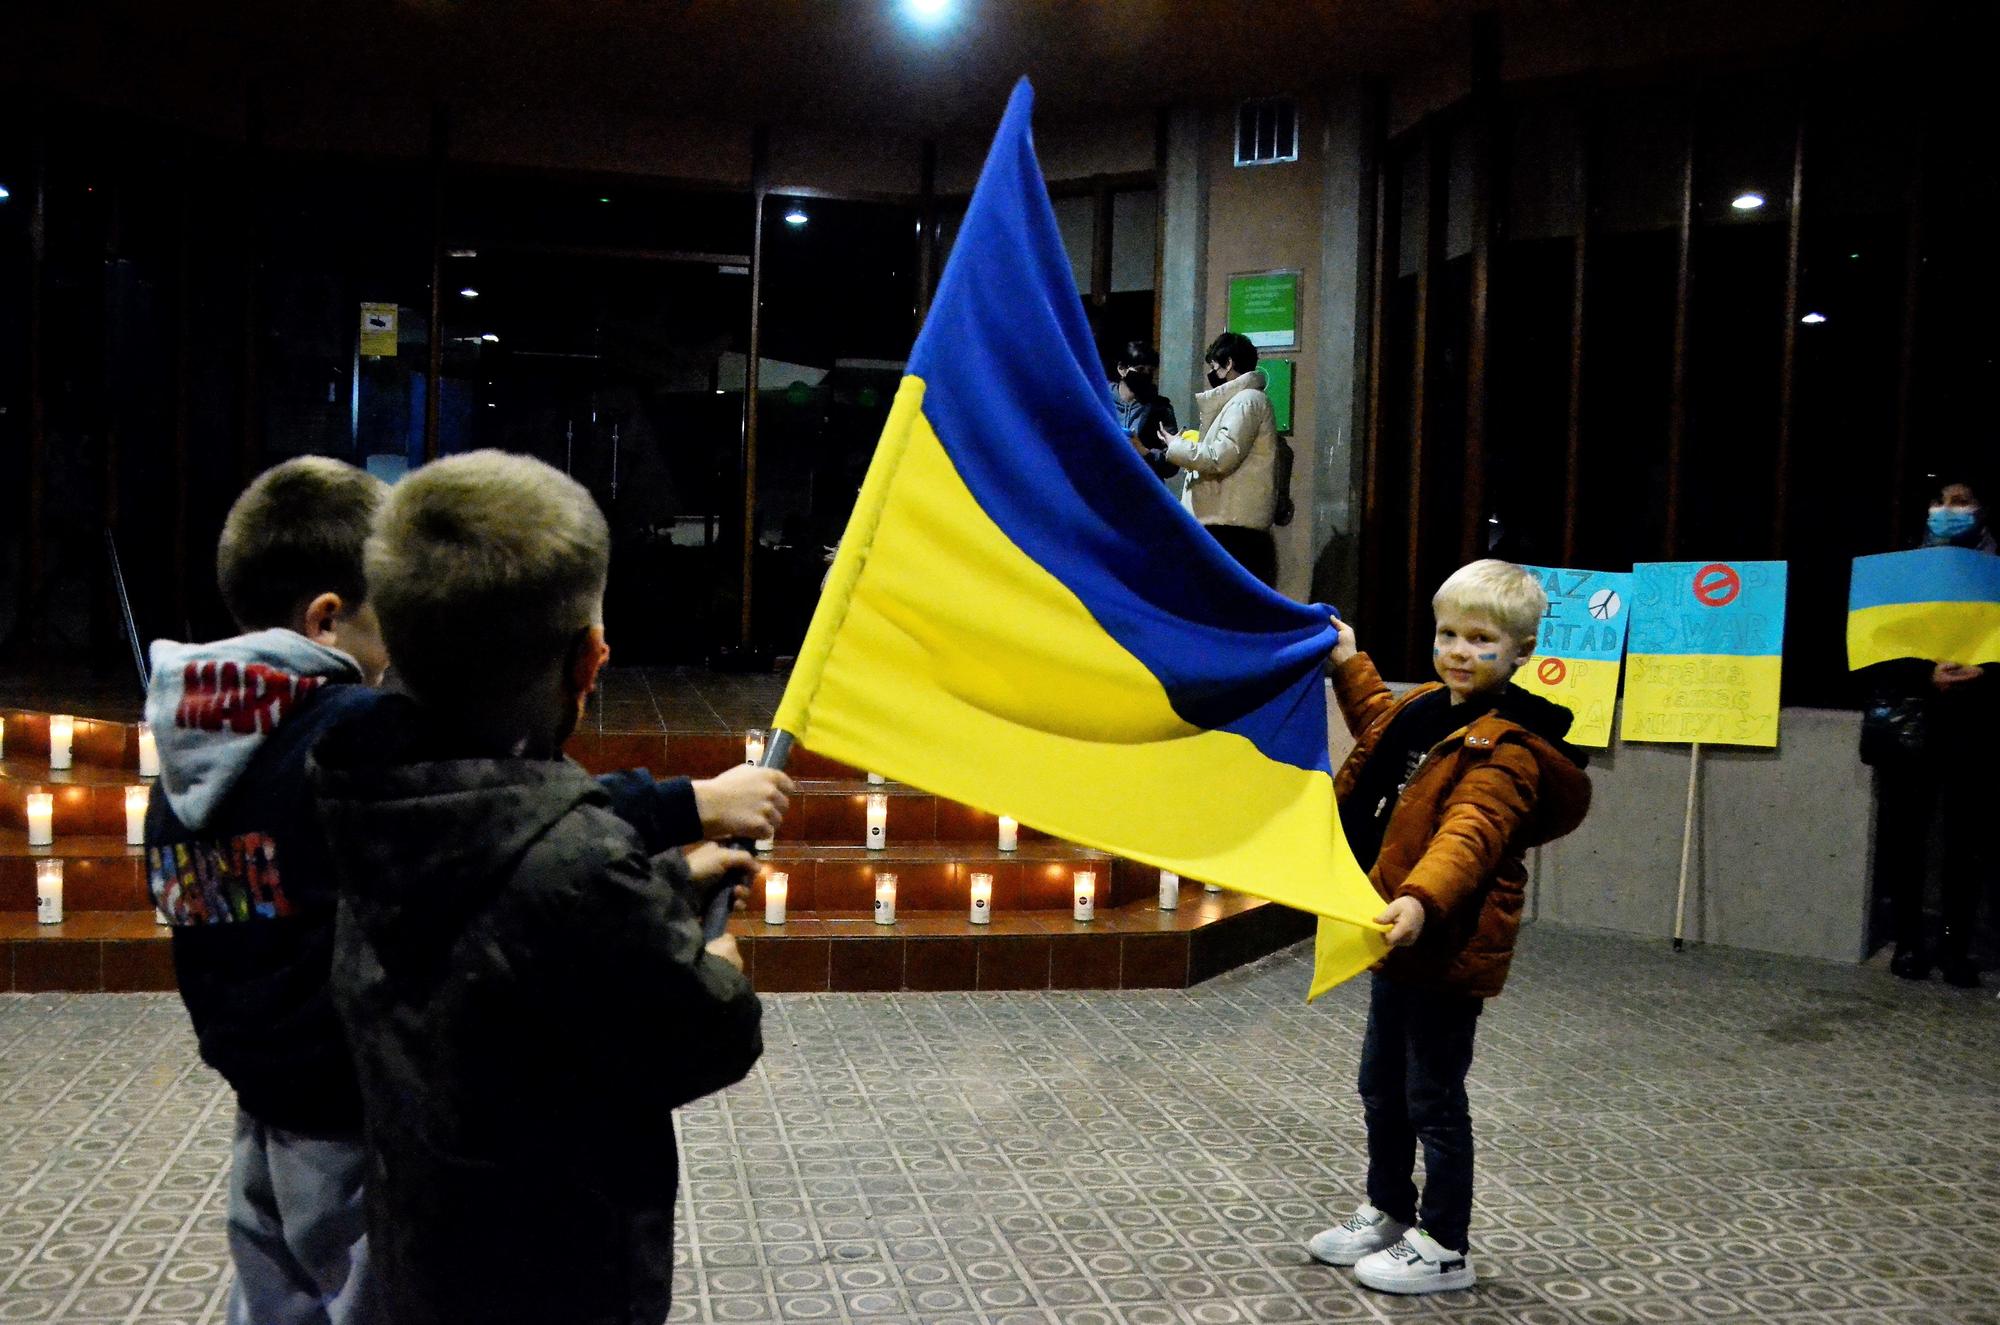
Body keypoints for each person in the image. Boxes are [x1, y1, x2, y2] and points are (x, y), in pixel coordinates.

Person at [143, 456, 790, 1325]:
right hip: (376, 1123)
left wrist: (668, 869)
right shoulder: (351, 744)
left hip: (268, 1093)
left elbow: (497, 877)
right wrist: (704, 913)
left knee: (279, 1292)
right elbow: (522, 835)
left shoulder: (202, 749)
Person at [313, 450, 766, 1325]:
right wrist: (719, 957)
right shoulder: (577, 857)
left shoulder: (356, 787)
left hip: (425, 1242)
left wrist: (667, 872)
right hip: (558, 1268)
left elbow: (504, 931)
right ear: (589, 663)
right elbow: (703, 1035)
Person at [1308, 560, 1592, 1295]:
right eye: (1448, 633)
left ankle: (1445, 1242)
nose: (1460, 650)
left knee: (1433, 1096)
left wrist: (1420, 900)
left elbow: (1470, 831)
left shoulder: (1510, 746)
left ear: (1522, 651)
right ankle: (1390, 1211)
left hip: (1447, 938)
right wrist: (1349, 660)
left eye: (1481, 638)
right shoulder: (1434, 707)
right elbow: (1381, 723)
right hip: (1397, 936)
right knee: (1381, 1086)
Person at [1862, 471, 1997, 987]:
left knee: (1967, 845)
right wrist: (1925, 673)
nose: (1950, 509)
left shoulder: (1996, 571)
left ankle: (1957, 949)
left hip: (1978, 726)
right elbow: (1875, 650)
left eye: (1962, 501)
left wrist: (1985, 672)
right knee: (1907, 841)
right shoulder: (1902, 573)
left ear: (1982, 510)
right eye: (1942, 501)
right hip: (1914, 724)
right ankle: (1910, 945)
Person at [1154, 331, 1280, 586]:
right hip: (1229, 523)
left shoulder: (1246, 401)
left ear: (1229, 364)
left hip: (1230, 527)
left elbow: (1220, 457)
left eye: (1213, 366)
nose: (1211, 374)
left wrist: (1177, 446)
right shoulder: (1243, 401)